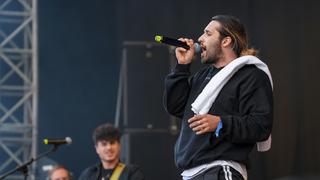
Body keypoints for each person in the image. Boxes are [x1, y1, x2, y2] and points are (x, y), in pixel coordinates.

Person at [163, 15, 273, 180]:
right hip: (190, 173)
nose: (200, 39)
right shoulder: (202, 77)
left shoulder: (251, 75)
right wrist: (182, 66)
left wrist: (220, 123)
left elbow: (260, 126)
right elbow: (176, 107)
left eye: (207, 33)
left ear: (226, 41)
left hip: (220, 169)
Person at [78, 123, 145, 180]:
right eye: (104, 144)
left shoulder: (132, 173)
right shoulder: (88, 175)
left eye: (112, 143)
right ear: (97, 149)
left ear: (119, 146)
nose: (109, 148)